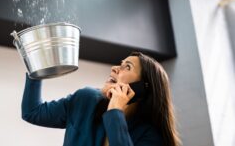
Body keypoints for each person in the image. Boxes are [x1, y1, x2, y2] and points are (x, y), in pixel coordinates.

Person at [21, 51, 181, 146]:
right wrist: (35, 67)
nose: (114, 68)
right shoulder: (86, 99)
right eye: (120, 63)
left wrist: (115, 112)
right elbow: (32, 112)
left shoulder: (151, 137)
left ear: (142, 88)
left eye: (127, 67)